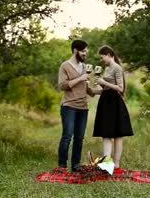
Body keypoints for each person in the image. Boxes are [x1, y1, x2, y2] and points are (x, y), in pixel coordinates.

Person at [92, 45, 134, 175]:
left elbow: (120, 88)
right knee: (106, 134)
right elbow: (106, 89)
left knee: (117, 135)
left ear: (109, 54)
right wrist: (94, 89)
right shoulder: (108, 68)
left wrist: (104, 82)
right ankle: (107, 163)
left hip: (114, 103)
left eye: (102, 56)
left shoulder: (117, 68)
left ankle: (116, 164)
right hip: (105, 102)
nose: (102, 59)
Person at [57, 39, 94, 172]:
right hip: (69, 106)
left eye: (86, 51)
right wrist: (81, 78)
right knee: (67, 136)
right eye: (83, 51)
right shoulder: (65, 66)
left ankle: (75, 165)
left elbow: (86, 86)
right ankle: (62, 165)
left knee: (79, 137)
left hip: (83, 107)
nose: (85, 54)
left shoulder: (84, 67)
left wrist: (98, 90)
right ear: (75, 51)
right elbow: (62, 85)